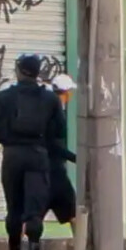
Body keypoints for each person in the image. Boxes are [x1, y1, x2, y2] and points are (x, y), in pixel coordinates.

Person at [0, 54, 66, 250]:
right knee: (34, 212)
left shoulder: (3, 97)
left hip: (12, 157)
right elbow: (60, 130)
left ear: (18, 71)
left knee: (14, 209)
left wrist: (7, 138)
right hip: (38, 157)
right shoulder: (50, 99)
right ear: (38, 72)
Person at [45, 74, 78, 231]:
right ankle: (82, 246)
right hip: (55, 173)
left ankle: (12, 249)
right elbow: (54, 145)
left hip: (40, 172)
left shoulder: (45, 110)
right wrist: (75, 158)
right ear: (66, 93)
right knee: (74, 214)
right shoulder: (56, 113)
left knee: (30, 217)